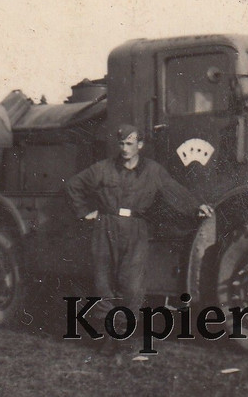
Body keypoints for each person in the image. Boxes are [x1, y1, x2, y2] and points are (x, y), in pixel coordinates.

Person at [65, 124, 214, 316]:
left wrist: (196, 206)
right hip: (107, 226)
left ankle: (123, 331)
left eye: (130, 144)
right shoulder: (103, 168)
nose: (125, 149)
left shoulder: (153, 170)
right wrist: (84, 212)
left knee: (132, 286)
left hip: (136, 229)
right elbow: (73, 185)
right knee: (103, 284)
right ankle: (107, 338)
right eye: (121, 144)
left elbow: (173, 191)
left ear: (140, 145)